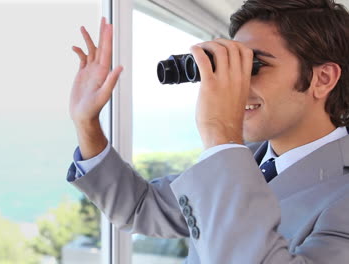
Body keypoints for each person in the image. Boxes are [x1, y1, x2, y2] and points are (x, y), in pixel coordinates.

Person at [67, 0, 349, 262]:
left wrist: (221, 136)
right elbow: (141, 207)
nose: (235, 85)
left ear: (322, 79)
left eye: (252, 66)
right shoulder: (248, 160)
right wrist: (87, 122)